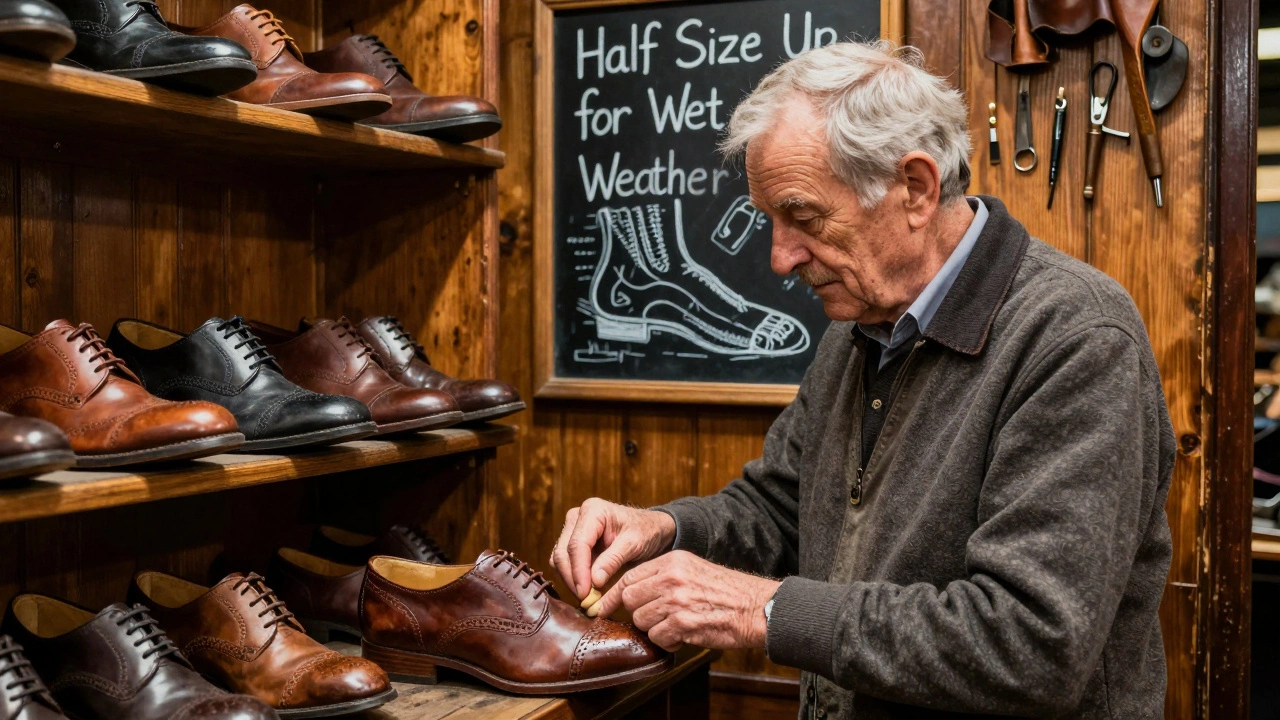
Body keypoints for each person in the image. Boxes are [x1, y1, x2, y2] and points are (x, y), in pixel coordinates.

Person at [551, 40, 1175, 719]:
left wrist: (763, 607)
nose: (780, 258)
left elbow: (1030, 643)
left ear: (914, 188)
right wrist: (666, 529)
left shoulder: (1075, 336)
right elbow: (779, 510)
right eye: (771, 221)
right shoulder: (860, 329)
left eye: (805, 218)